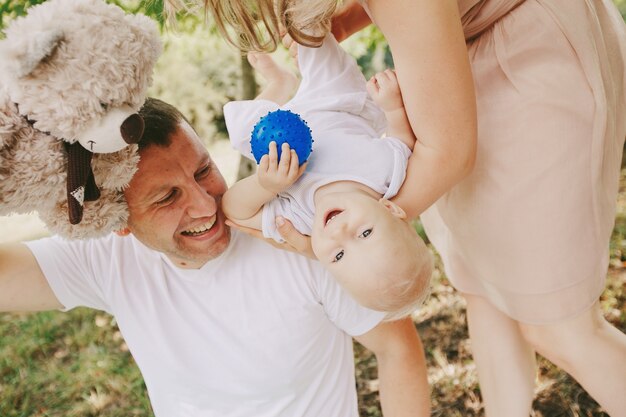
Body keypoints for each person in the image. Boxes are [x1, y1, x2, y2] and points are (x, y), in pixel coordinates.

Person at [177, 0, 626, 415]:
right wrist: (371, 217)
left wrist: (338, 233)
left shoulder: (320, 213)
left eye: (338, 254)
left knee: (556, 324)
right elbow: (407, 141)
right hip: (449, 64)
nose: (340, 236)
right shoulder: (381, 181)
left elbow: (446, 154)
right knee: (481, 286)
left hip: (525, 53)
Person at [0, 97, 431, 416]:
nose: (206, 206)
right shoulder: (108, 258)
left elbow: (398, 351)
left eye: (204, 171)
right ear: (121, 220)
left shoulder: (302, 239)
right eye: (168, 197)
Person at [221, 34, 432, 318]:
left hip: (277, 137)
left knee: (241, 129)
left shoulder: (300, 219)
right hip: (336, 104)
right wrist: (393, 107)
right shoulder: (386, 175)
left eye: (338, 256)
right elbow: (401, 140)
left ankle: (280, 85)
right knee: (314, 42)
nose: (338, 233)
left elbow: (234, 211)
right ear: (390, 208)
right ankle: (304, 20)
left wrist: (264, 185)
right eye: (365, 233)